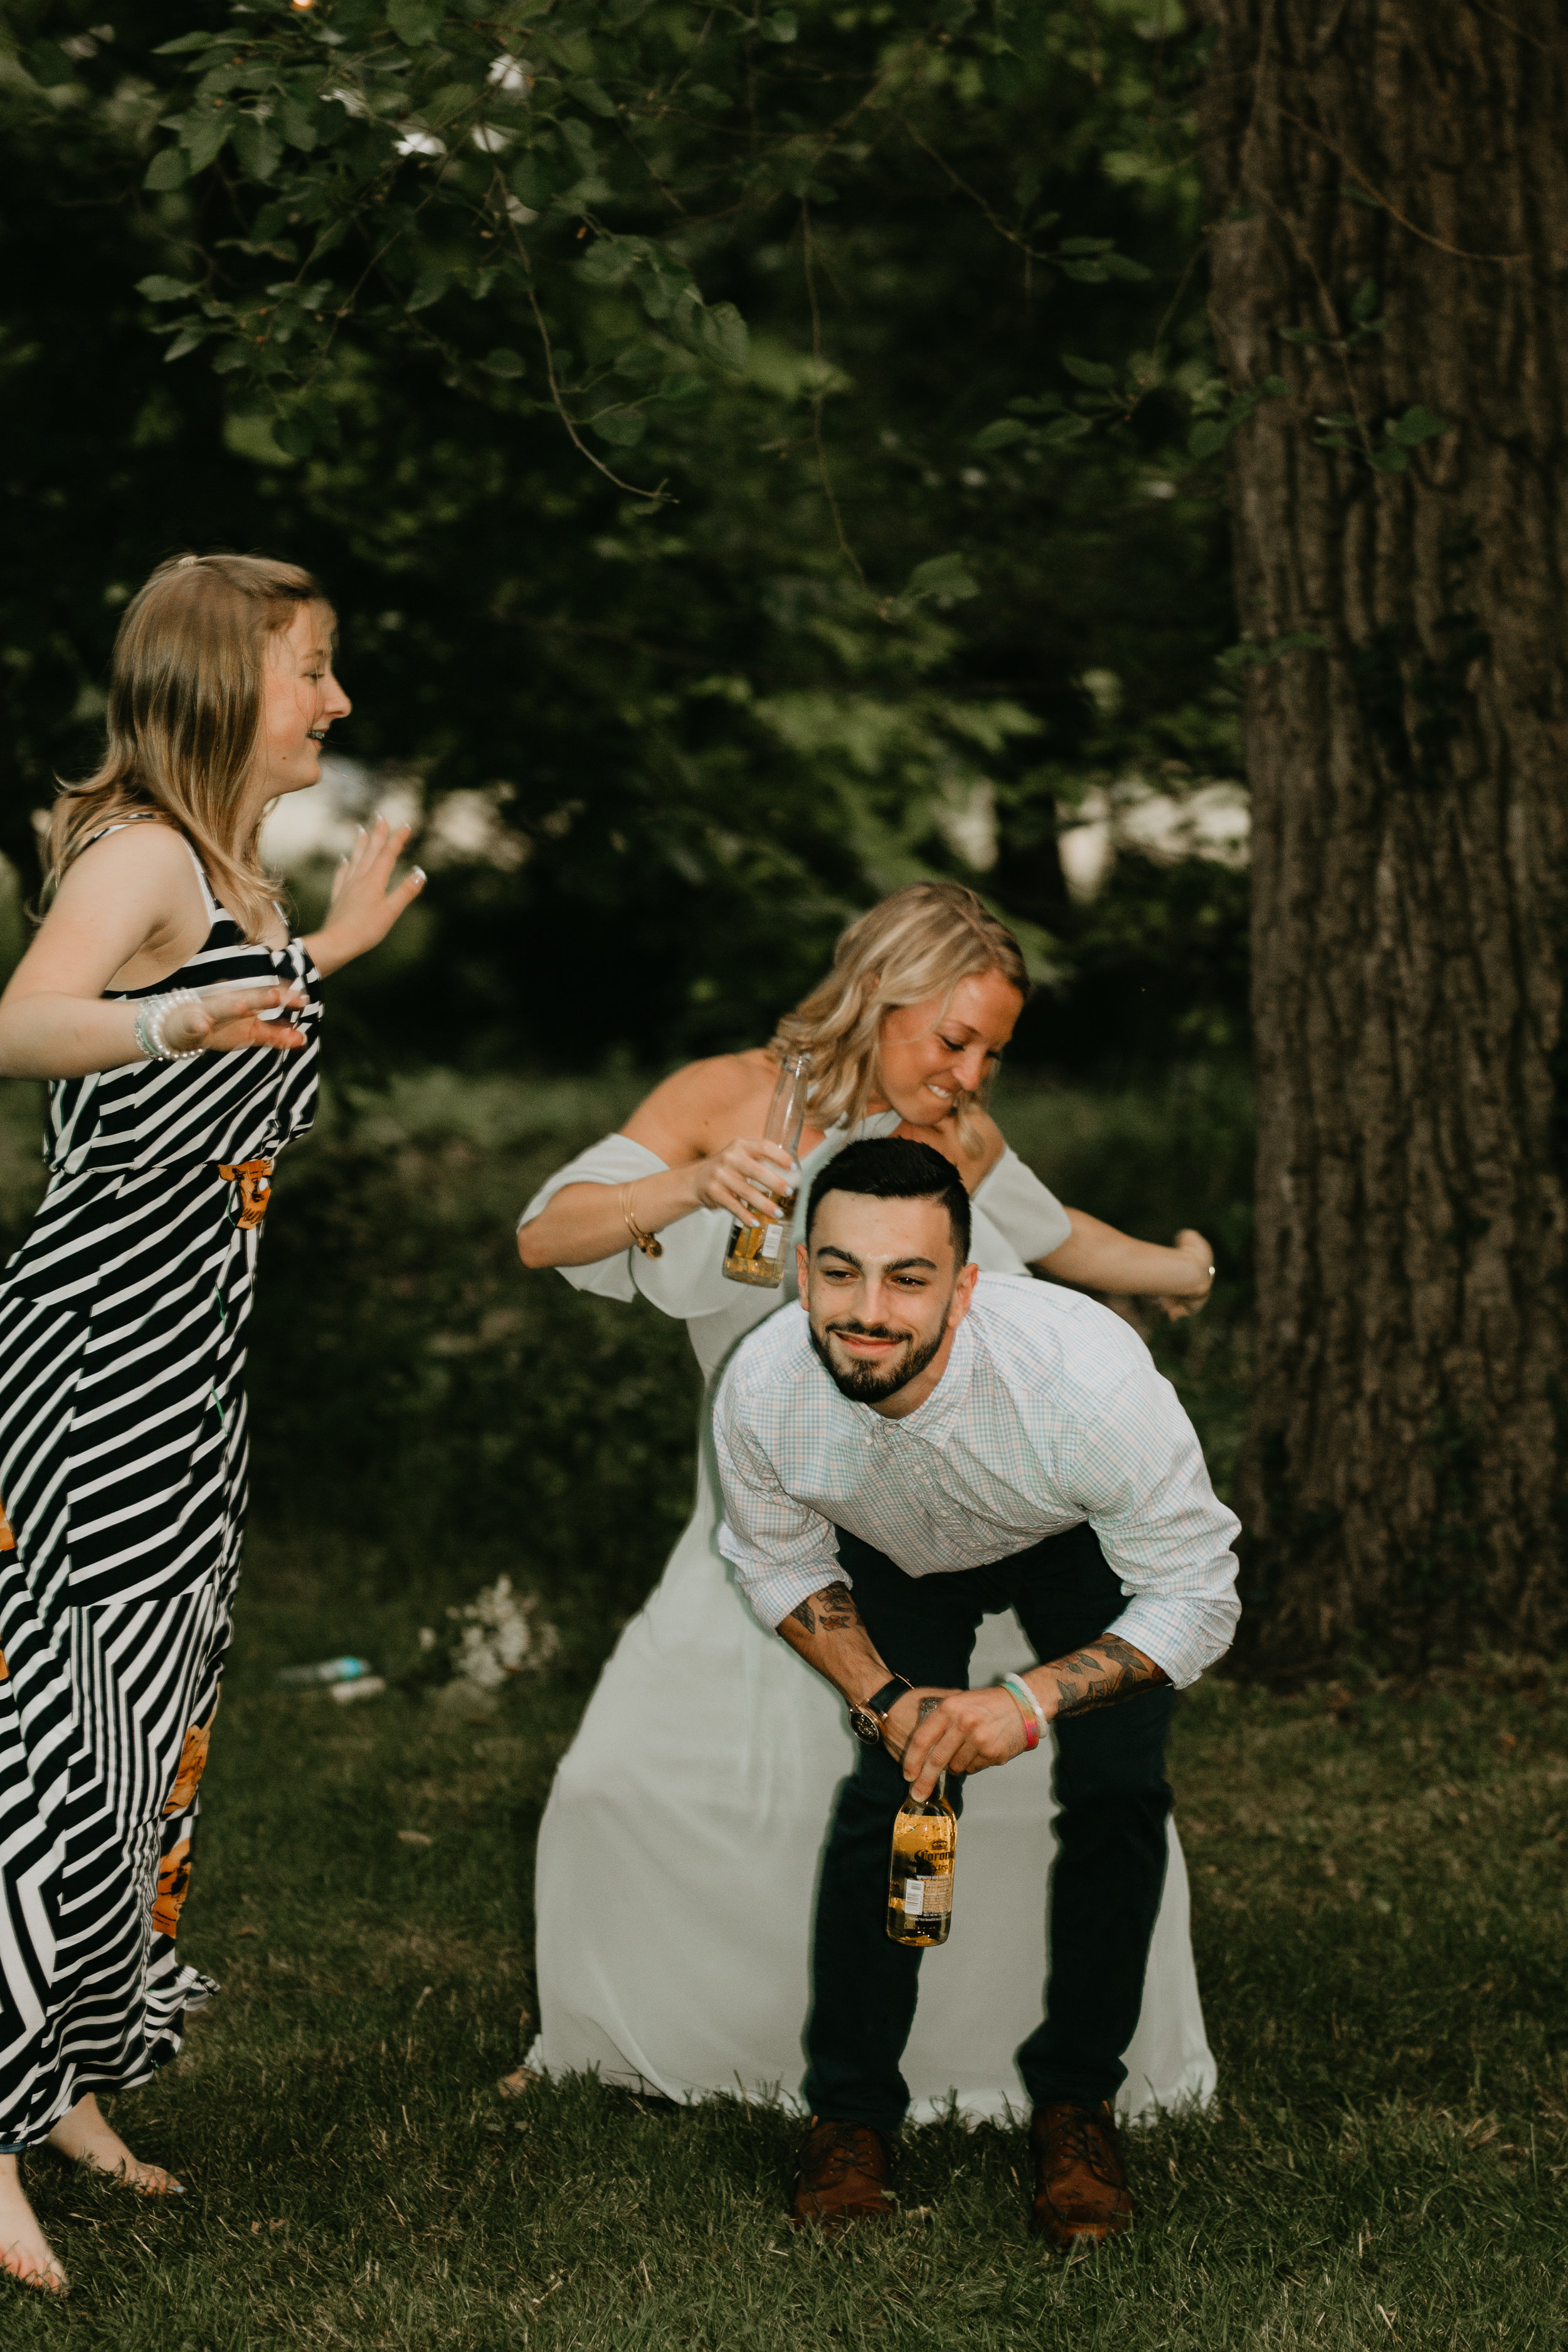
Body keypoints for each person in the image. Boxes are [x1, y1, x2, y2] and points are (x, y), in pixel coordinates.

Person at [516, 882, 1221, 2123]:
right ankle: (624, 2034)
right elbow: (549, 1235)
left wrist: (1181, 1268)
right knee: (614, 1790)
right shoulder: (726, 1093)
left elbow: (1055, 1245)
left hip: (929, 1520)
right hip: (760, 1506)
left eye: (990, 1051)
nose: (967, 1071)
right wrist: (689, 1185)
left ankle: (975, 2070)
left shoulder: (957, 1144)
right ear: (877, 988)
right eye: (950, 1038)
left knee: (981, 1790)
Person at [0, 553, 423, 2294]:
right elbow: (22, 1021)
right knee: (44, 1731)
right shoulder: (143, 856)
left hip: (191, 1370)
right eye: (308, 671)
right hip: (95, 1365)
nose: (333, 701)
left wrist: (328, 947)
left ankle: (68, 2072)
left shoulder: (233, 869)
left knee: (143, 1724)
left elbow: (235, 1021)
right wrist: (178, 1008)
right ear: (212, 683)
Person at [712, 1135, 1241, 2245]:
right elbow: (779, 1562)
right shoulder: (762, 1388)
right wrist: (886, 1698)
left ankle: (1077, 2102)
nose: (869, 1308)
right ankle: (851, 2115)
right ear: (802, 1268)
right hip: (896, 1555)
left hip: (1072, 1540)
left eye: (908, 1277)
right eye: (842, 1270)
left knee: (1116, 1786)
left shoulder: (1084, 1381)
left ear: (965, 1284)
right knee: (893, 1794)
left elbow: (1195, 1595)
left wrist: (1029, 1701)